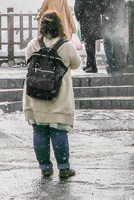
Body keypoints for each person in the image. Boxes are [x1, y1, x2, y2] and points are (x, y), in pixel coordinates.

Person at [22, 10, 81, 179]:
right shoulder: (66, 46)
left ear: (42, 27)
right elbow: (76, 64)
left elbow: (28, 61)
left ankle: (45, 168)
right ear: (59, 26)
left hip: (35, 96)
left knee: (39, 132)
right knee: (58, 132)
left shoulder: (33, 44)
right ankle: (63, 168)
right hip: (58, 97)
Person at [74, 0, 104, 73]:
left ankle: (92, 66)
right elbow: (103, 7)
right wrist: (96, 13)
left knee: (88, 43)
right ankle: (89, 64)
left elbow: (77, 7)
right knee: (92, 42)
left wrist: (80, 18)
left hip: (85, 20)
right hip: (95, 20)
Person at [101, 0, 127, 74]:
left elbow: (102, 10)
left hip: (107, 23)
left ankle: (110, 64)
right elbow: (124, 12)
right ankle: (117, 64)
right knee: (117, 43)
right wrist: (124, 23)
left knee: (107, 44)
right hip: (117, 24)